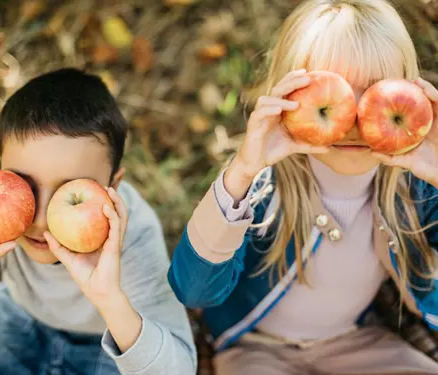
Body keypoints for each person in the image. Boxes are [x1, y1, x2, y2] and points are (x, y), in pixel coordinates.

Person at [168, 0, 438, 374]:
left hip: (353, 340)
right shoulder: (262, 187)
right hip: (256, 347)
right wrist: (242, 172)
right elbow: (193, 291)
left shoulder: (415, 191)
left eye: (378, 91)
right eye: (335, 93)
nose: (357, 119)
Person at [0, 68, 196, 375]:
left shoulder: (135, 235)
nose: (40, 220)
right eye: (24, 185)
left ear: (113, 185)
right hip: (21, 317)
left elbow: (180, 369)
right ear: (1, 168)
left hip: (105, 341)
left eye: (68, 191)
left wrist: (110, 300)